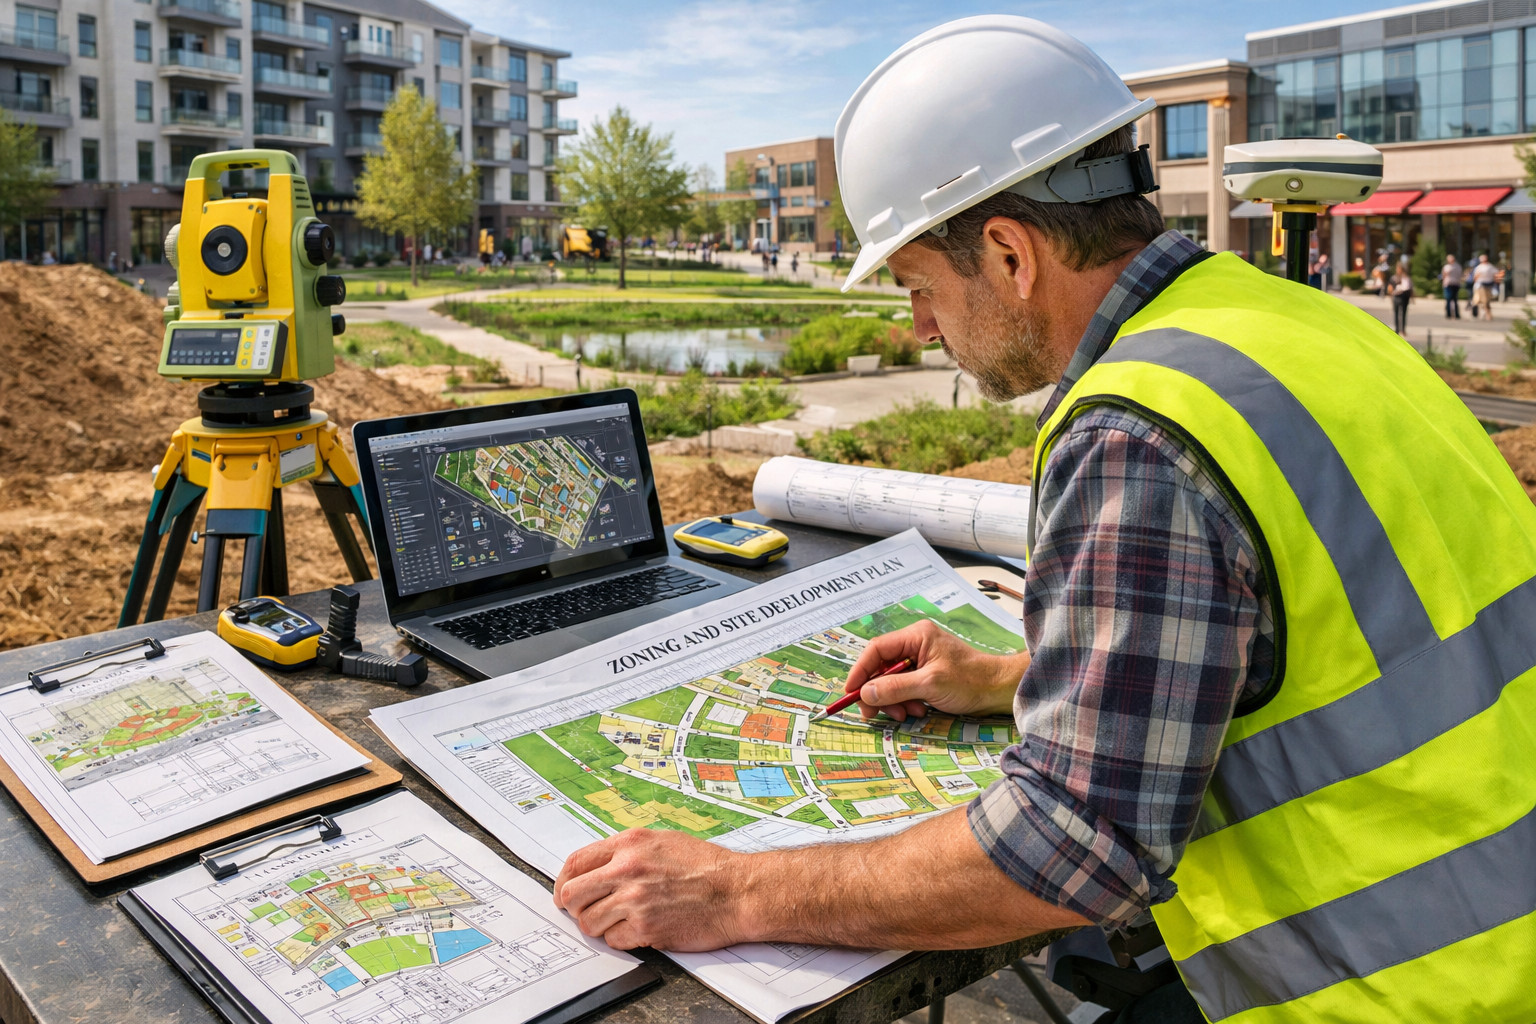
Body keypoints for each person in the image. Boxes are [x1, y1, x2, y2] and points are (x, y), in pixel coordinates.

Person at [549, 15, 1536, 1023]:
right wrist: (1017, 678)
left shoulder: (1138, 432)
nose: (924, 328)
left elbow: (1070, 850)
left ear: (1011, 255)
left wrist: (732, 889)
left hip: (1417, 985)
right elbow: (1340, 630)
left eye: (921, 288)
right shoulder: (1299, 324)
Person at [1471, 254, 1498, 321]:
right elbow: (1475, 278)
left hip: (1487, 285)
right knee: (1484, 300)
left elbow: (1496, 275)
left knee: (1486, 301)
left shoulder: (1489, 267)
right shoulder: (1480, 267)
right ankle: (1487, 314)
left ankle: (1487, 314)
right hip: (1481, 286)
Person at [1390, 263, 1413, 335]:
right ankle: (1397, 329)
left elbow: (1410, 288)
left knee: (1403, 314)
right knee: (1397, 314)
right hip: (1397, 297)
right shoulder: (1394, 278)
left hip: (1404, 297)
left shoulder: (1406, 278)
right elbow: (1390, 288)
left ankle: (1402, 329)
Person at [1442, 253, 1463, 318]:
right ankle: (1453, 314)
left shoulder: (1447, 267)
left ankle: (1451, 314)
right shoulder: (1458, 266)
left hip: (1450, 284)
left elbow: (1444, 275)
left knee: (1450, 299)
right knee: (1453, 299)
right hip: (1455, 283)